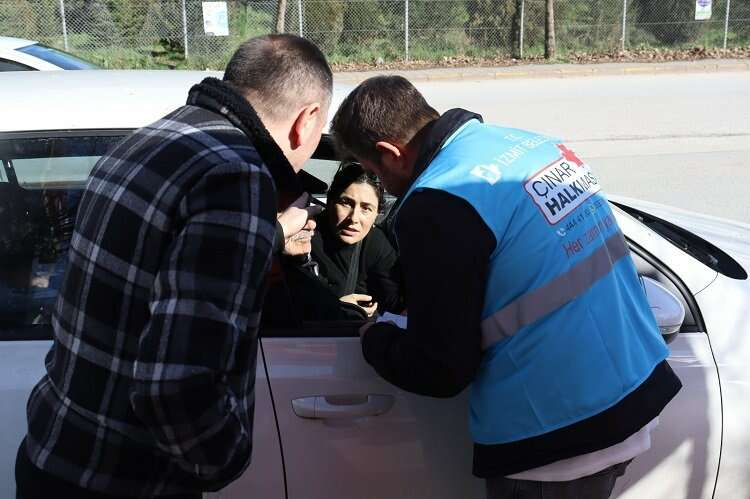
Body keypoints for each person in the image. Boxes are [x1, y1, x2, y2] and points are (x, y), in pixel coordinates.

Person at [330, 76, 682, 499]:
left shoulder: (439, 201)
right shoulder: (532, 145)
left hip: (555, 434)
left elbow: (440, 369)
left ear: (391, 153)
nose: (383, 187)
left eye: (375, 173)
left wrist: (376, 338)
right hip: (630, 391)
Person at [15, 34, 332, 499]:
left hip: (55, 453)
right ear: (306, 121)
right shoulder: (237, 175)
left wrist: (274, 233)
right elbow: (177, 386)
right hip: (126, 481)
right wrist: (224, 460)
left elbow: (162, 260)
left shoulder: (154, 138)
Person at [286, 162, 404, 320]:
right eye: (346, 203)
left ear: (377, 214)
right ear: (330, 202)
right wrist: (337, 306)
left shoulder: (376, 244)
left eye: (366, 208)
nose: (354, 218)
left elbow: (396, 304)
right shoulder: (304, 235)